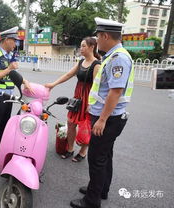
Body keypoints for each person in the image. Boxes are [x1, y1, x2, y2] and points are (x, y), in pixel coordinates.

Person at [70, 17, 134, 208]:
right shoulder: (113, 56)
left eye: (98, 36)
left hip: (109, 119)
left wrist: (102, 119)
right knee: (105, 155)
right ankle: (100, 189)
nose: (96, 40)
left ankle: (92, 200)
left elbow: (115, 91)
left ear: (105, 36)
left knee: (97, 158)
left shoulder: (118, 58)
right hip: (109, 116)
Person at [45, 37, 101, 162]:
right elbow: (68, 74)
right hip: (78, 97)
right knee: (71, 123)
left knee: (85, 126)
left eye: (83, 46)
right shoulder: (81, 62)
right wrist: (53, 84)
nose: (81, 49)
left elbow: (97, 87)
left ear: (92, 47)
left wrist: (92, 103)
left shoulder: (96, 65)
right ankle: (70, 149)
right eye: (81, 46)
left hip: (88, 99)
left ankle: (83, 151)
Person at [0, 26, 32, 169]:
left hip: (9, 96)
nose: (15, 44)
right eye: (14, 41)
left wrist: (25, 81)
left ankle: (1, 150)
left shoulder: (8, 56)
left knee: (5, 125)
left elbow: (12, 75)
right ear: (6, 40)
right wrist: (9, 68)